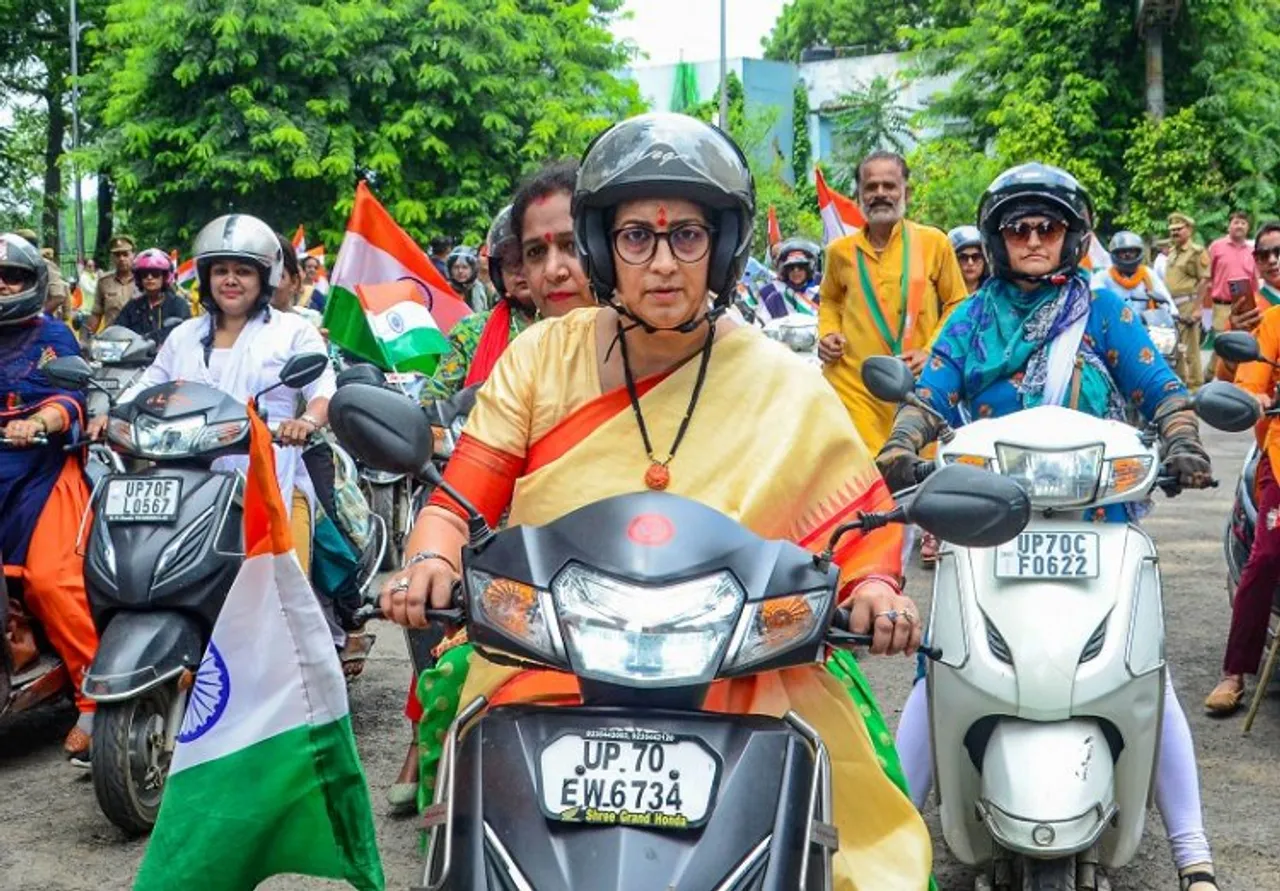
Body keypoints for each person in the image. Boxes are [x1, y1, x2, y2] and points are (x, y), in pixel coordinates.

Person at [377, 113, 931, 888]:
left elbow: (857, 520)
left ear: (725, 248)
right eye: (637, 237)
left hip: (743, 667)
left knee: (860, 839)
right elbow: (458, 495)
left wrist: (875, 588)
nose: (663, 263)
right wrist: (430, 557)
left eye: (687, 238)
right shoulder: (543, 356)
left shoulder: (779, 379)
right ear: (606, 248)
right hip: (554, 661)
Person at [877, 163, 1219, 891]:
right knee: (938, 669)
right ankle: (889, 844)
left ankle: (1194, 854)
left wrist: (1183, 439)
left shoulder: (1104, 310)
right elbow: (933, 390)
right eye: (1017, 227)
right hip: (988, 522)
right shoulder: (970, 317)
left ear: (1072, 236)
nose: (1033, 238)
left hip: (1102, 516)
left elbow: (1159, 389)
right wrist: (903, 442)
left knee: (1143, 670)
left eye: (1048, 225)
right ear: (999, 240)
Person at [388, 165, 599, 812]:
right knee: (451, 669)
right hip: (518, 560)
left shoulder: (689, 344)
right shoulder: (512, 353)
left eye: (571, 246)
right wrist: (428, 555)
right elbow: (455, 470)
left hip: (658, 587)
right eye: (534, 254)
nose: (552, 269)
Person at [92, 215, 336, 571]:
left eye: (243, 271)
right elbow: (149, 383)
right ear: (207, 277)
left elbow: (324, 388)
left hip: (269, 478)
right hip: (188, 480)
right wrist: (112, 413)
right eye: (221, 270)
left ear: (264, 277)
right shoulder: (184, 335)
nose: (231, 280)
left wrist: (306, 422)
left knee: (288, 590)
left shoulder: (294, 332)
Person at [0, 233, 99, 765]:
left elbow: (70, 396)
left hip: (40, 470)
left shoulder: (52, 334)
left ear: (32, 282)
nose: (1, 286)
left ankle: (95, 698)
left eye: (11, 276)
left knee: (50, 582)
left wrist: (39, 420)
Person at [818, 150, 968, 453]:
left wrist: (931, 352)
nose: (880, 194)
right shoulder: (840, 252)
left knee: (913, 473)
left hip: (915, 387)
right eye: (871, 187)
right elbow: (830, 300)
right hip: (855, 387)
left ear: (905, 192)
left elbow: (957, 302)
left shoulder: (933, 242)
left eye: (889, 185)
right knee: (865, 475)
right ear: (859, 193)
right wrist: (828, 334)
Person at [1206, 219, 1280, 716]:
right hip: (1278, 456)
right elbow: (1251, 385)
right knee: (1269, 555)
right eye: (1266, 253)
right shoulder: (1269, 323)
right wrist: (1256, 399)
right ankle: (1235, 670)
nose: (1273, 260)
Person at [1163, 213, 1211, 389]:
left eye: (1179, 229)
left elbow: (1205, 280)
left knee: (1190, 350)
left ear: (1189, 230)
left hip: (1188, 304)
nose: (1175, 233)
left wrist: (1197, 309)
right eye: (1172, 230)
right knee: (1177, 349)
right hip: (1173, 307)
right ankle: (1182, 383)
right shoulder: (1172, 252)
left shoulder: (1196, 252)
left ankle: (1195, 387)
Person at [114, 248, 191, 342]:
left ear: (165, 276)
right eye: (144, 274)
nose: (149, 277)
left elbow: (185, 336)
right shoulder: (132, 306)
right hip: (135, 356)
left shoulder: (178, 304)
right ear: (139, 278)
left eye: (155, 273)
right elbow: (117, 330)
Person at [1091, 230, 1177, 315]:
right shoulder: (1103, 276)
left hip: (1145, 324)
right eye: (1122, 252)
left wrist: (1173, 312)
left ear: (1139, 253)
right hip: (1115, 323)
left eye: (1132, 251)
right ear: (1115, 254)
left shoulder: (1147, 273)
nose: (1127, 255)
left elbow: (1163, 294)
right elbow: (1095, 296)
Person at [1208, 210, 1256, 337]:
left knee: (1244, 346)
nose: (1240, 226)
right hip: (1222, 307)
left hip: (1246, 309)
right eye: (1236, 222)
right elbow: (1208, 276)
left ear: (1248, 228)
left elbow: (1254, 281)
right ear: (1229, 226)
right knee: (1222, 345)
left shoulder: (1253, 251)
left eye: (1243, 223)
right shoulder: (1216, 247)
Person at [85, 235, 138, 339]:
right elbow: (96, 314)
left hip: (139, 340)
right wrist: (87, 339)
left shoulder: (144, 279)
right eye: (117, 255)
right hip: (113, 340)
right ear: (112, 257)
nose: (121, 259)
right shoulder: (104, 282)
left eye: (125, 254)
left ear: (133, 255)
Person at [757, 237, 821, 318]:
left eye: (801, 266)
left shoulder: (822, 296)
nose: (796, 271)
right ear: (785, 271)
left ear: (808, 269)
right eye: (791, 267)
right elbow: (761, 326)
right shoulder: (775, 300)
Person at [445, 245, 488, 313]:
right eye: (456, 267)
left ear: (472, 269)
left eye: (465, 267)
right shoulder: (445, 289)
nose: (460, 271)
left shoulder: (481, 289)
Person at [947, 224, 987, 294]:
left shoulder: (995, 295)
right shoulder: (942, 295)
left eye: (976, 257)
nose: (970, 263)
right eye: (963, 257)